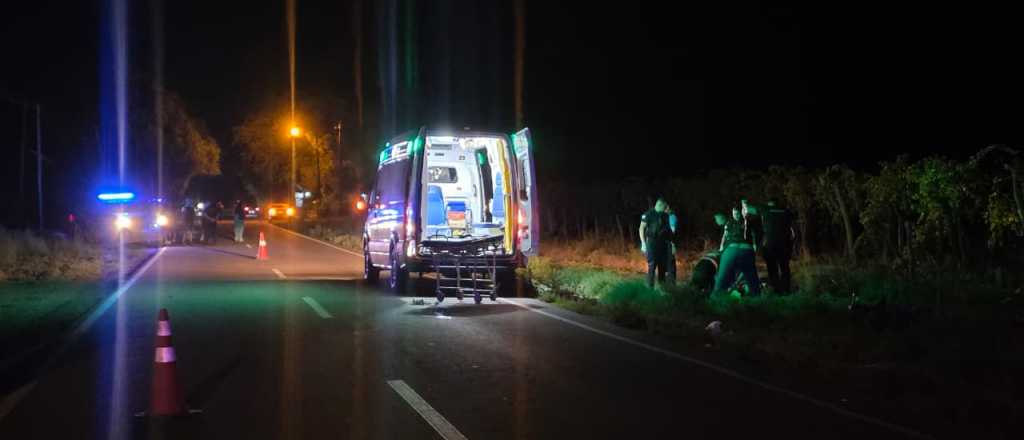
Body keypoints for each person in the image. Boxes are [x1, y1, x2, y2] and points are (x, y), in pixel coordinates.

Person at [714, 204, 761, 296]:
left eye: (737, 213)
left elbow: (753, 235)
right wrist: (721, 246)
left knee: (721, 283)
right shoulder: (730, 223)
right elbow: (725, 235)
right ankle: (756, 299)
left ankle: (716, 299)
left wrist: (722, 248)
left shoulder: (745, 222)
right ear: (732, 213)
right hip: (745, 251)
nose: (735, 215)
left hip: (733, 250)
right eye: (734, 213)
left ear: (740, 213)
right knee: (753, 282)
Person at [761, 198, 796, 293]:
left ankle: (776, 290)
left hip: (770, 245)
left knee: (772, 268)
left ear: (770, 203)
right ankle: (786, 290)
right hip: (784, 244)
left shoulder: (765, 211)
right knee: (785, 268)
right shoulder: (786, 211)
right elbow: (792, 230)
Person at [639, 197, 672, 288]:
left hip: (662, 244)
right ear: (659, 205)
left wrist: (671, 244)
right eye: (664, 207)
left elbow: (667, 230)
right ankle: (650, 288)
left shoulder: (665, 216)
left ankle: (662, 288)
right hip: (651, 243)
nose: (665, 209)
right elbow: (641, 228)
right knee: (652, 265)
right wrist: (643, 243)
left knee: (662, 266)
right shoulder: (648, 214)